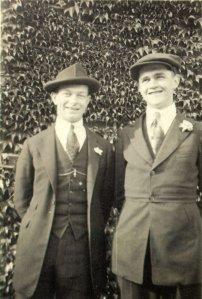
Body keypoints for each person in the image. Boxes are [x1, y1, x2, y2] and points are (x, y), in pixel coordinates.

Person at [13, 63, 114, 299]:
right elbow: (21, 198)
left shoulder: (103, 147)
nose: (73, 101)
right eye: (67, 94)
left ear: (89, 101)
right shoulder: (34, 144)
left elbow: (105, 199)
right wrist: (40, 223)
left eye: (81, 95)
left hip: (83, 249)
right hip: (40, 245)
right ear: (54, 98)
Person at [112, 53, 202, 299]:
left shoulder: (197, 132)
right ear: (140, 88)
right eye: (146, 80)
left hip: (183, 248)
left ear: (176, 81)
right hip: (134, 249)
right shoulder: (126, 135)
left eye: (160, 77)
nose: (153, 84)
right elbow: (118, 192)